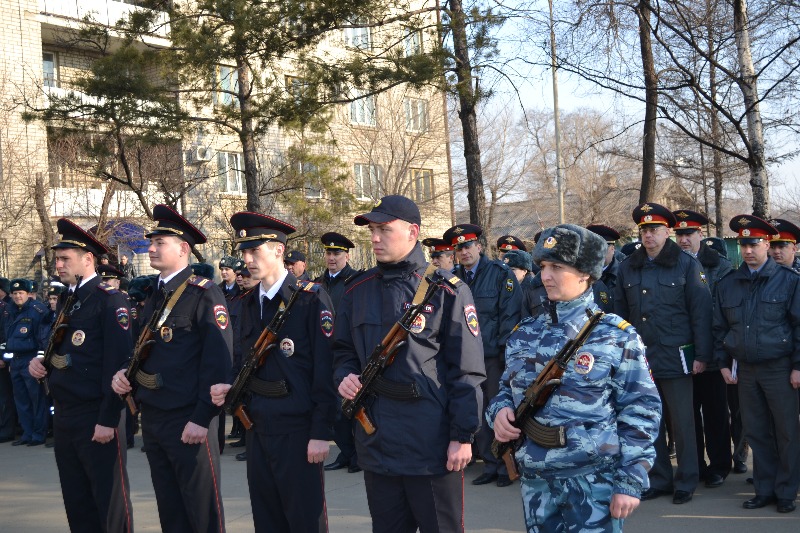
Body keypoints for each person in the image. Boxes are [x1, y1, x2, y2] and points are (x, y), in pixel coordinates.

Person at [489, 223, 661, 533]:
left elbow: (642, 410)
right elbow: (506, 389)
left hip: (593, 481)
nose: (546, 275)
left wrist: (631, 480)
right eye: (543, 266)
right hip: (536, 483)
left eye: (557, 266)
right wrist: (499, 412)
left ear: (585, 273)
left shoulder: (615, 336)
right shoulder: (525, 333)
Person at [334, 195, 485, 532]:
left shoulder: (446, 290)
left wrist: (463, 435)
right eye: (372, 230)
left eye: (384, 230)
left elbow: (467, 370)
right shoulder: (357, 290)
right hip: (377, 439)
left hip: (429, 443)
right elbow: (342, 350)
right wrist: (343, 375)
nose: (374, 238)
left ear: (413, 232)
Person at [210, 211, 337, 533]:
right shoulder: (249, 302)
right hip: (257, 424)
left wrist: (321, 432)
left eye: (255, 251)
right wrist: (229, 384)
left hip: (297, 428)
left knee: (304, 518)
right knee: (267, 517)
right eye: (244, 253)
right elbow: (243, 360)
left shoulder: (310, 300)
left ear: (279, 251)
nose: (247, 260)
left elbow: (324, 369)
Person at [111, 204, 232, 533]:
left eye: (159, 242)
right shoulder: (155, 294)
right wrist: (126, 373)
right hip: (154, 417)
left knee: (201, 511)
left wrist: (201, 417)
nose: (150, 247)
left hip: (188, 419)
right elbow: (144, 348)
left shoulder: (204, 294)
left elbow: (218, 363)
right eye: (151, 242)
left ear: (183, 249)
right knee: (170, 509)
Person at [28, 218, 134, 532]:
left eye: (65, 259)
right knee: (77, 501)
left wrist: (108, 418)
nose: (58, 264)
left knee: (109, 502)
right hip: (65, 414)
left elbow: (117, 365)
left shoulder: (108, 300)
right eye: (57, 258)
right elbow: (64, 351)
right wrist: (41, 365)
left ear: (87, 259)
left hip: (95, 416)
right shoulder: (68, 299)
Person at [614, 202, 712, 505]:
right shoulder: (628, 265)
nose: (648, 235)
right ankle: (658, 478)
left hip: (676, 353)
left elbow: (701, 312)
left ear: (666, 231)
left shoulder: (685, 264)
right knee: (648, 421)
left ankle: (686, 479)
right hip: (641, 358)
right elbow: (620, 313)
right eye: (644, 230)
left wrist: (702, 354)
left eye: (654, 229)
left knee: (683, 423)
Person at [713, 214, 800, 514]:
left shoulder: (788, 282)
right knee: (757, 431)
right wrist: (723, 363)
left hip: (779, 368)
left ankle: (786, 490)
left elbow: (798, 326)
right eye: (743, 244)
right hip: (746, 370)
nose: (748, 250)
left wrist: (798, 366)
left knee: (787, 431)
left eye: (754, 244)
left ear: (766, 244)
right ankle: (764, 489)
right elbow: (720, 328)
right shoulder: (728, 284)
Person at [444, 223, 522, 488]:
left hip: (493, 356)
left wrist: (504, 354)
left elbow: (510, 316)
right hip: (465, 358)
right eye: (459, 248)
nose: (464, 252)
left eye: (468, 246)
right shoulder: (454, 279)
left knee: (498, 410)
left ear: (479, 246)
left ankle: (506, 466)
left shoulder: (500, 274)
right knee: (475, 412)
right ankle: (490, 464)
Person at [671, 208, 734, 487]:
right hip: (682, 350)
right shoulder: (670, 263)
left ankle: (720, 465)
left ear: (701, 234)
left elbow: (723, 311)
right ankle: (695, 465)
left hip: (713, 348)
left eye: (689, 233)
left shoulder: (719, 265)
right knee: (687, 413)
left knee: (715, 411)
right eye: (679, 234)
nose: (684, 240)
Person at [316, 231, 362, 474]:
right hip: (325, 352)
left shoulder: (356, 281)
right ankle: (346, 452)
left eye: (337, 253)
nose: (332, 258)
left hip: (349, 350)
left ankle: (358, 454)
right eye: (328, 253)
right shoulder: (318, 283)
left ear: (346, 255)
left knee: (351, 405)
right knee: (335, 407)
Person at [4, 278, 49, 446]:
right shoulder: (10, 311)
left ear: (28, 294)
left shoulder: (37, 310)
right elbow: (7, 336)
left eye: (20, 293)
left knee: (36, 399)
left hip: (30, 360)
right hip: (15, 360)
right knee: (21, 400)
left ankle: (38, 434)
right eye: (14, 293)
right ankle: (27, 433)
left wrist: (38, 359)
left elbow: (42, 338)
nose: (17, 296)